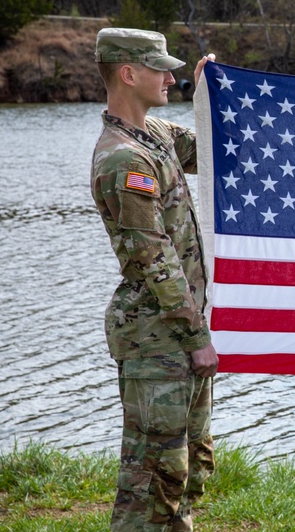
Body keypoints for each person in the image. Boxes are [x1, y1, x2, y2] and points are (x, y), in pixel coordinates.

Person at [90, 27, 218, 532]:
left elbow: (212, 150)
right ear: (128, 73)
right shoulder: (123, 158)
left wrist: (214, 93)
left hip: (180, 332)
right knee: (152, 478)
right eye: (160, 68)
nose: (171, 77)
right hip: (156, 336)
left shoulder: (157, 136)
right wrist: (196, 336)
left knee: (190, 468)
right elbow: (155, 259)